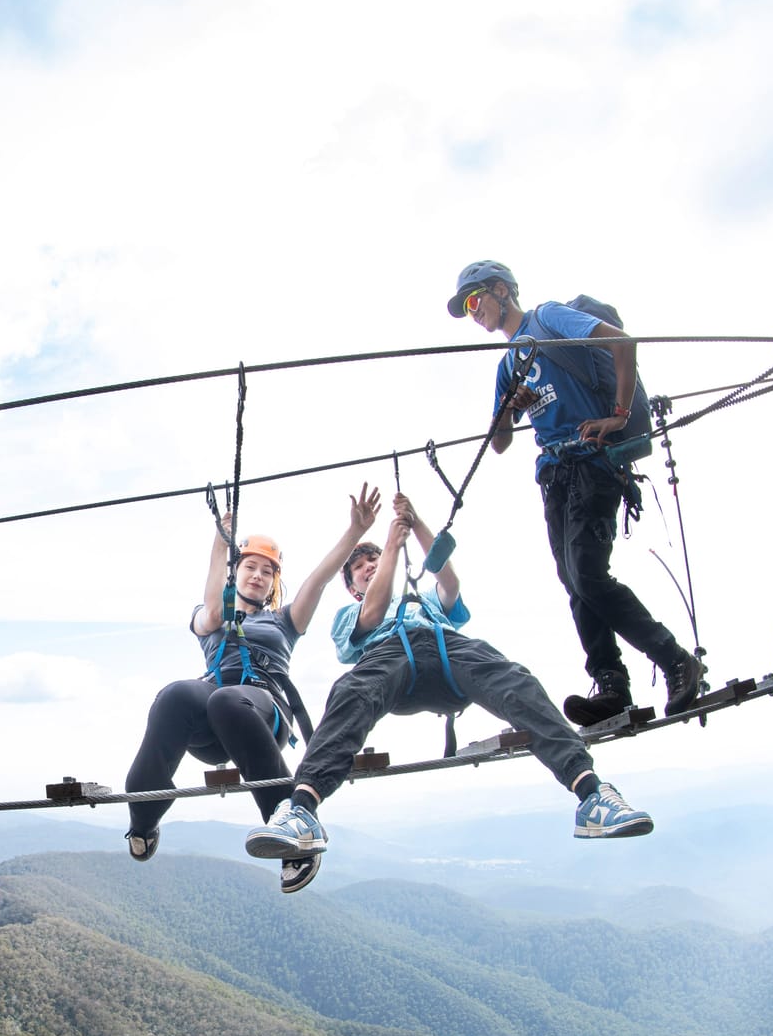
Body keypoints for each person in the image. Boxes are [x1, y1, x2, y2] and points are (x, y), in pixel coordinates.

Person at [245, 493, 654, 892]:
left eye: (373, 561)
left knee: (516, 682)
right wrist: (389, 546)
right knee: (351, 693)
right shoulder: (349, 613)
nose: (369, 567)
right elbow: (372, 615)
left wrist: (416, 523)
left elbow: (449, 580)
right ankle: (302, 809)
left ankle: (592, 794)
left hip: (444, 645)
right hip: (390, 656)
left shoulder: (425, 599)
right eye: (361, 568)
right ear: (352, 587)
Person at [448, 260, 701, 725]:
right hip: (554, 477)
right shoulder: (509, 365)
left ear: (502, 290)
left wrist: (620, 416)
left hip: (593, 461)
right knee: (574, 580)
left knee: (586, 574)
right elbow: (500, 442)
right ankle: (611, 685)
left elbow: (622, 343)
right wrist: (510, 406)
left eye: (474, 299)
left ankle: (675, 659)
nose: (472, 312)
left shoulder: (548, 319)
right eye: (466, 307)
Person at [122, 486, 382, 871]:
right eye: (249, 567)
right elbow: (211, 610)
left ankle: (295, 834)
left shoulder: (284, 621)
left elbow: (319, 579)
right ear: (235, 572)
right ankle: (143, 821)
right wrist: (219, 543)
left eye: (267, 571)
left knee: (226, 700)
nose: (258, 576)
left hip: (260, 712)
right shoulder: (211, 616)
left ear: (274, 582)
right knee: (176, 695)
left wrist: (354, 532)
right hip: (211, 716)